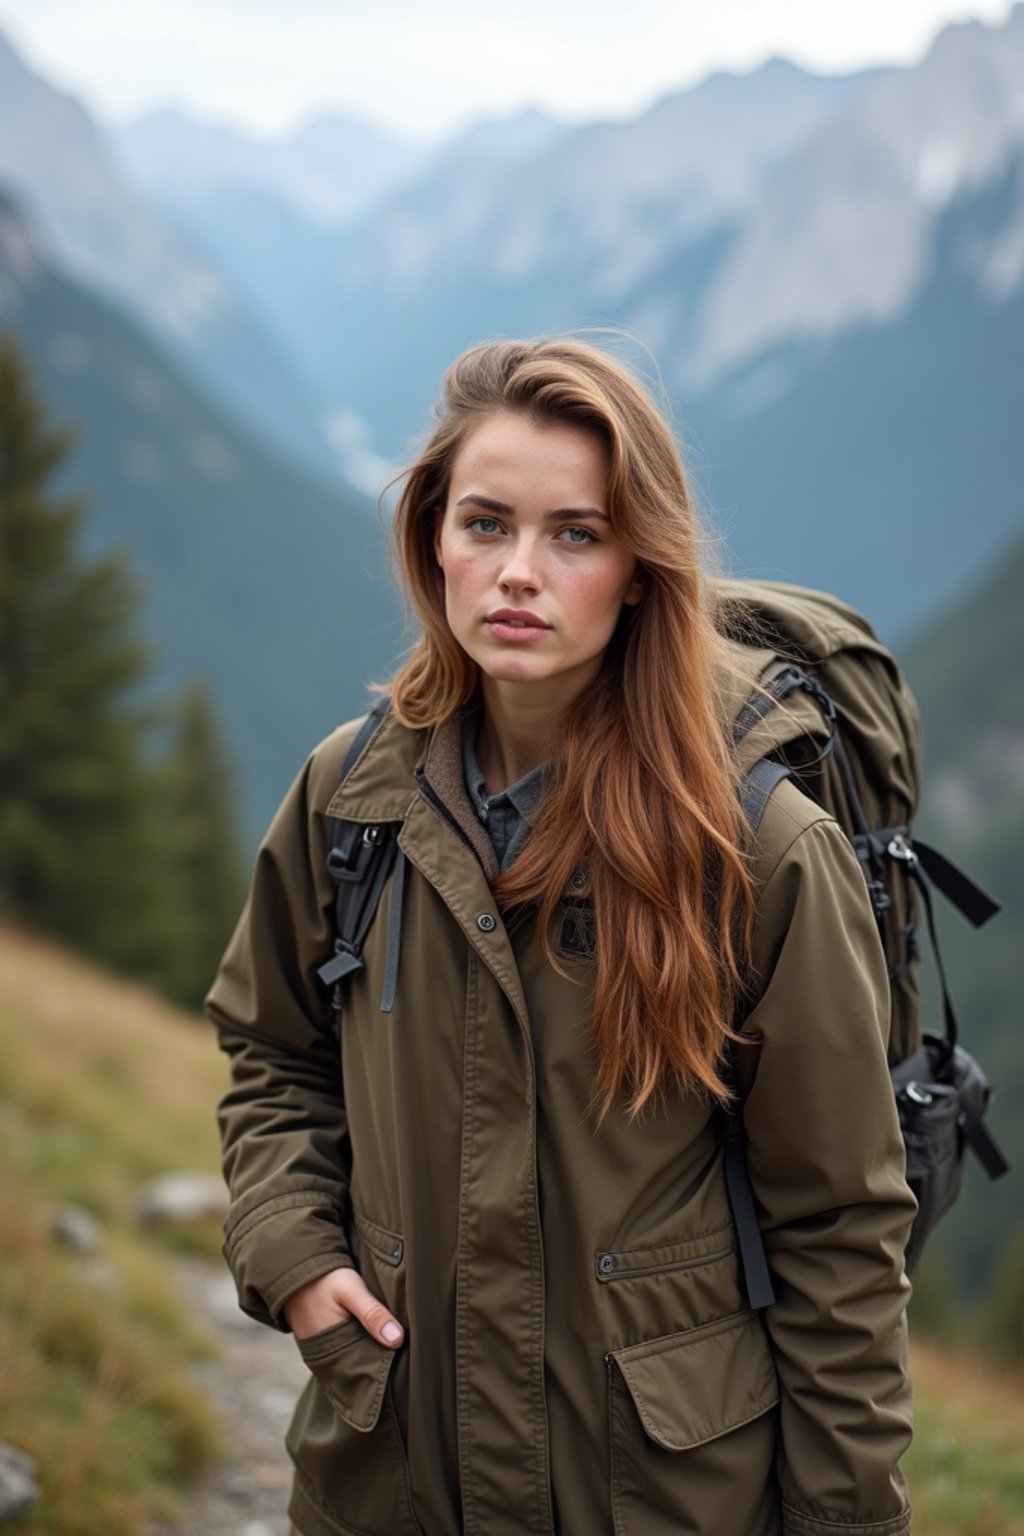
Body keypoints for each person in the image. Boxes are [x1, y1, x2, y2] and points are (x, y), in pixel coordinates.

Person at [206, 337, 915, 1536]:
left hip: (654, 1497)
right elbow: (272, 1055)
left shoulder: (755, 851)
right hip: (389, 1476)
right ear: (433, 537)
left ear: (640, 564)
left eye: (574, 534)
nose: (517, 573)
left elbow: (838, 1230)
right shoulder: (348, 799)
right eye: (484, 524)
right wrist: (292, 1250)